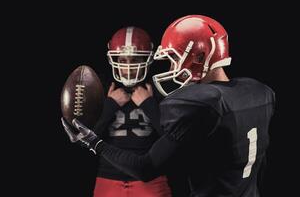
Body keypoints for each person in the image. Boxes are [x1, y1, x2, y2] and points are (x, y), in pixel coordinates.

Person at [63, 15, 275, 197]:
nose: (172, 67)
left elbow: (145, 168)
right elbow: (260, 165)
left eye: (174, 58)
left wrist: (93, 142)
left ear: (201, 56)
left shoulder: (201, 102)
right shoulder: (260, 92)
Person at [62, 26, 172, 197]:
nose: (128, 66)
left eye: (135, 60)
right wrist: (110, 105)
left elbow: (173, 139)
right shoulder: (101, 89)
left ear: (148, 59)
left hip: (150, 180)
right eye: (122, 59)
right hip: (108, 178)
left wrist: (149, 104)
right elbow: (86, 139)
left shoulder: (158, 90)